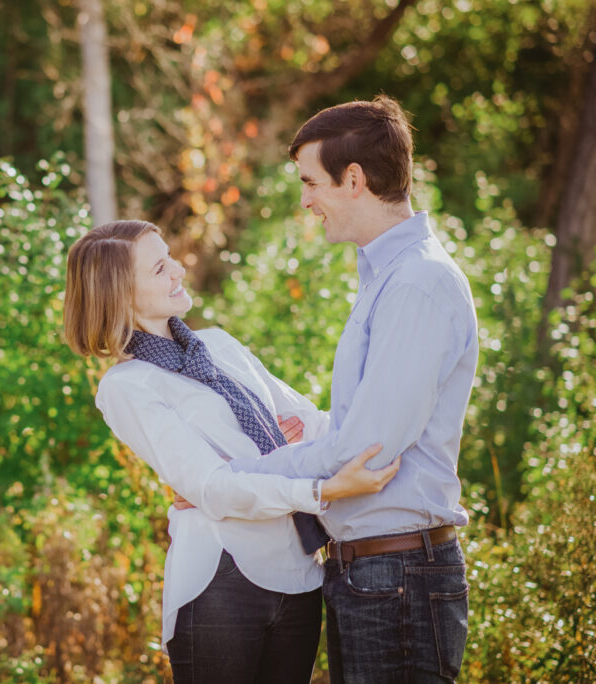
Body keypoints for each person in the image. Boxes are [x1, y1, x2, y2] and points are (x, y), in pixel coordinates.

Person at [63, 219, 400, 683]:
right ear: (120, 293)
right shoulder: (128, 386)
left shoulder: (219, 346)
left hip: (301, 574)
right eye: (160, 268)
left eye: (171, 258)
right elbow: (213, 490)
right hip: (221, 582)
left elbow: (319, 425)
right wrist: (322, 488)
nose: (179, 270)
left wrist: (259, 465)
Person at [219, 96, 479, 682]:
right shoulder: (386, 278)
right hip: (376, 575)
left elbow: (366, 449)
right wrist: (309, 433)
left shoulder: (417, 283)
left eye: (311, 183)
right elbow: (357, 426)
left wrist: (233, 480)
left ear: (354, 179)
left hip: (400, 575)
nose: (306, 200)